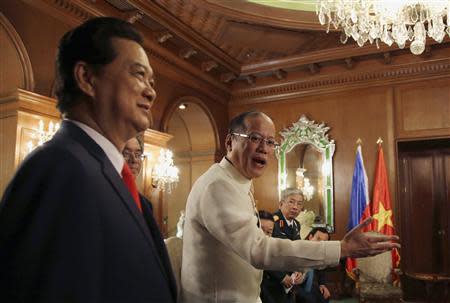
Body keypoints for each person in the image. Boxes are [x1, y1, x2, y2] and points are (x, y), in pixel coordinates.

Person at [0, 17, 176, 302]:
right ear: (87, 78)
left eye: (151, 81)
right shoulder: (58, 169)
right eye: (138, 75)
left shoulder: (124, 187)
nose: (151, 91)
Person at [181, 110, 400, 303]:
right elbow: (258, 250)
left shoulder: (238, 182)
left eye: (270, 142)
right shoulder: (219, 185)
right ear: (230, 142)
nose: (264, 149)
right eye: (255, 138)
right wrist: (342, 248)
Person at [261, 189, 305, 303]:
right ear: (281, 204)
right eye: (291, 202)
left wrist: (299, 270)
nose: (295, 207)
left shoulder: (296, 224)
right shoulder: (272, 221)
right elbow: (266, 252)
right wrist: (281, 276)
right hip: (272, 278)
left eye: (299, 204)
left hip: (291, 278)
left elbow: (298, 250)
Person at [296, 227, 332, 303]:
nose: (320, 243)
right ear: (310, 237)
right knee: (309, 299)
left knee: (324, 297)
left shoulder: (320, 254)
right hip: (295, 284)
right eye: (318, 239)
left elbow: (321, 270)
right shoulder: (299, 248)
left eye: (324, 242)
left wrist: (322, 285)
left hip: (310, 284)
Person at [123, 136, 153, 211]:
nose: (134, 160)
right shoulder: (107, 193)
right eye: (126, 154)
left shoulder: (146, 205)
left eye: (138, 155)